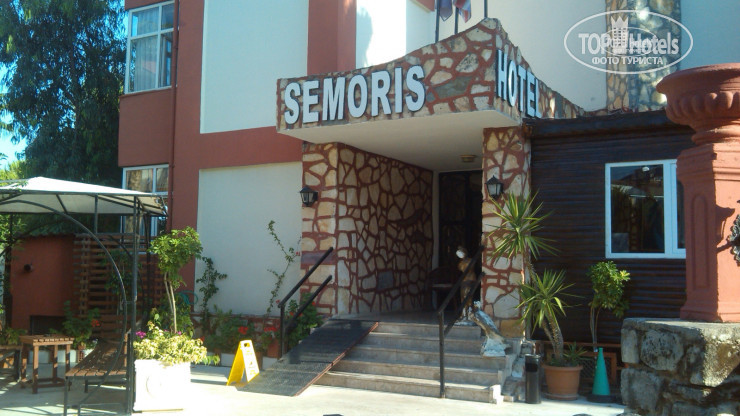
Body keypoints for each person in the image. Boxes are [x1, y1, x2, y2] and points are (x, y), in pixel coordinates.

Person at [456, 246, 477, 320]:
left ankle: (470, 314)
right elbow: (461, 269)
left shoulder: (470, 261)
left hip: (470, 279)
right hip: (464, 280)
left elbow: (469, 269)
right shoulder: (460, 263)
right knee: (463, 297)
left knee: (468, 297)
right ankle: (464, 314)